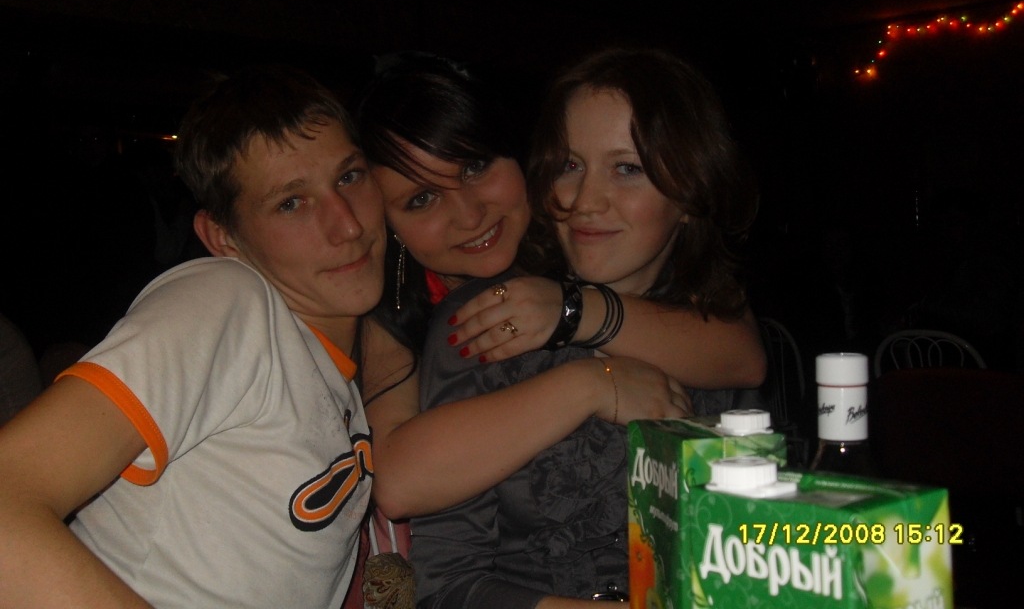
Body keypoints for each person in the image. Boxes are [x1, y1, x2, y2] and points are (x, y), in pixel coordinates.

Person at [355, 50, 764, 607]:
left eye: (475, 166)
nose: (584, 201)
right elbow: (402, 486)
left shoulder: (695, 311)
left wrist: (575, 311)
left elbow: (744, 358)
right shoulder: (436, 317)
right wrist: (594, 384)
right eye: (421, 199)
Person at [0, 64, 385, 608]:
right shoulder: (225, 300)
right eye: (290, 203)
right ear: (222, 238)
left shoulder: (326, 373)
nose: (347, 224)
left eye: (349, 177)